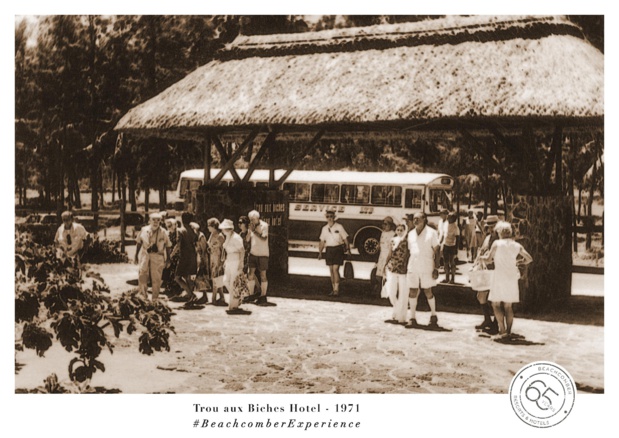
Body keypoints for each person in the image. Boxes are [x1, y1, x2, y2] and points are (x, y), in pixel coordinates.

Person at [481, 221, 533, 340]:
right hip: (511, 277)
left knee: (495, 304)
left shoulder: (497, 243)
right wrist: (520, 262)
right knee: (508, 306)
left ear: (500, 232)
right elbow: (529, 258)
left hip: (499, 276)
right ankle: (508, 332)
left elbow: (489, 259)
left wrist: (481, 258)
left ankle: (502, 331)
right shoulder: (516, 245)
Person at [404, 212, 441, 328]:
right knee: (412, 292)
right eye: (414, 219)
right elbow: (410, 252)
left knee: (428, 291)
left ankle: (434, 316)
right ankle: (412, 318)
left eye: (418, 219)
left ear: (424, 219)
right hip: (413, 267)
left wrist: (436, 268)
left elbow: (437, 250)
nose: (415, 221)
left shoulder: (432, 233)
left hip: (427, 267)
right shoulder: (410, 234)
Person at [134, 212, 171, 302]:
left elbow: (168, 245)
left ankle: (155, 299)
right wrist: (136, 255)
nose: (155, 222)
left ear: (160, 221)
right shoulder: (144, 230)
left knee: (156, 278)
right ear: (149, 221)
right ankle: (143, 297)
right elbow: (139, 242)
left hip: (158, 256)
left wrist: (168, 259)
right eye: (153, 220)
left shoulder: (163, 232)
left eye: (158, 220)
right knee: (142, 275)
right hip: (145, 255)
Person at [472, 215, 499, 332]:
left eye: (493, 226)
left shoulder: (500, 240)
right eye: (489, 226)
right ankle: (487, 319)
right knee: (481, 296)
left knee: (496, 298)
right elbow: (481, 251)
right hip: (485, 271)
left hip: (497, 271)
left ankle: (496, 323)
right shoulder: (487, 238)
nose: (491, 228)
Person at [219, 219, 251, 315]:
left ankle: (234, 304)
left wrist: (241, 263)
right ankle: (237, 297)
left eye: (224, 229)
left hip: (236, 261)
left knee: (234, 282)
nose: (223, 231)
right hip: (229, 260)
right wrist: (226, 261)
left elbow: (242, 251)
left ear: (228, 229)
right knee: (225, 281)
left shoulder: (236, 238)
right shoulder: (228, 237)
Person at [318, 209, 351, 296]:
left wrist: (348, 249)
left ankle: (337, 289)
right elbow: (322, 241)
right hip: (329, 250)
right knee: (331, 270)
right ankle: (333, 289)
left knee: (335, 269)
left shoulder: (339, 227)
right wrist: (320, 252)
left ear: (334, 217)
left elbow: (345, 238)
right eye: (328, 217)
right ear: (326, 218)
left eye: (331, 216)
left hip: (338, 249)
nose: (329, 218)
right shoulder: (324, 228)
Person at [383, 222, 410, 325]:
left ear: (405, 231)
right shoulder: (392, 240)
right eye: (398, 230)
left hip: (403, 270)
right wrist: (385, 265)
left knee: (403, 293)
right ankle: (397, 309)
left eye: (401, 230)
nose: (399, 232)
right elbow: (389, 253)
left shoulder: (407, 242)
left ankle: (401, 315)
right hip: (392, 268)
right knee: (391, 291)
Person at [246, 210, 273, 306]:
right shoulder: (251, 227)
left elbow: (264, 237)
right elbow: (247, 239)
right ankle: (251, 294)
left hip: (263, 254)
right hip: (253, 253)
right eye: (250, 219)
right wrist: (249, 232)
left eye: (253, 219)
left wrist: (254, 231)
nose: (252, 221)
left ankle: (263, 295)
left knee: (263, 275)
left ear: (258, 218)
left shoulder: (264, 225)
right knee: (250, 274)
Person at [174, 212, 199, 302]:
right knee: (188, 277)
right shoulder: (193, 230)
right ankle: (190, 297)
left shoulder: (180, 230)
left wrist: (172, 254)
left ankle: (191, 294)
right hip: (192, 255)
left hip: (184, 256)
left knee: (177, 277)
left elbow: (178, 245)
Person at [206, 218, 227, 306]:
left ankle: (214, 299)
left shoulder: (220, 236)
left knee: (216, 278)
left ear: (214, 226)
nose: (208, 228)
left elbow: (223, 250)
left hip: (218, 259)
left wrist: (222, 262)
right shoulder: (212, 234)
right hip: (212, 258)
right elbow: (209, 245)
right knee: (217, 278)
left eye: (209, 226)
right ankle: (222, 297)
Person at [162, 217, 182, 297]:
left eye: (170, 226)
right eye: (168, 226)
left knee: (174, 272)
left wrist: (172, 254)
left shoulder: (178, 233)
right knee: (167, 271)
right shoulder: (167, 233)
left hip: (176, 256)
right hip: (169, 255)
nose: (169, 227)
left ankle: (176, 290)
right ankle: (168, 289)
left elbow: (178, 245)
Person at [375, 216, 396, 293]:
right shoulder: (383, 232)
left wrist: (389, 259)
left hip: (388, 255)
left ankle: (387, 292)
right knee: (378, 274)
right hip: (381, 256)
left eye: (386, 224)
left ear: (390, 225)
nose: (384, 226)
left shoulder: (393, 234)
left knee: (387, 275)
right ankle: (379, 290)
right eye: (383, 224)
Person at [191, 222, 210, 304]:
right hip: (197, 258)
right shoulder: (195, 236)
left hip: (202, 258)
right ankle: (203, 295)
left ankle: (205, 296)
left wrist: (202, 260)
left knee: (202, 277)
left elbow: (204, 249)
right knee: (199, 277)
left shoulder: (201, 236)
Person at [442, 212, 460, 284]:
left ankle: (452, 278)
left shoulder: (455, 227)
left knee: (452, 262)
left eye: (449, 217)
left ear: (453, 219)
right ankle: (446, 278)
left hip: (452, 246)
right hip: (445, 245)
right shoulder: (446, 224)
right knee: (445, 262)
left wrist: (456, 249)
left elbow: (458, 238)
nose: (447, 217)